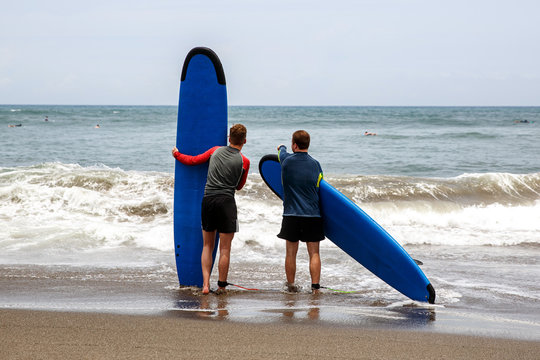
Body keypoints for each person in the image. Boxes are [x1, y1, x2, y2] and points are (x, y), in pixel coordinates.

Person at [172, 124, 250, 294]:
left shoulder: (214, 151)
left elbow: (193, 161)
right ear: (244, 141)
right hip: (227, 203)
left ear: (229, 138)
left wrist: (177, 154)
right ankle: (221, 286)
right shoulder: (245, 161)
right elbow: (239, 187)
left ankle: (205, 285)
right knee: (224, 248)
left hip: (208, 200)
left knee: (207, 245)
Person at [277, 130, 324, 294]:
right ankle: (315, 289)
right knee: (314, 253)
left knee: (291, 253)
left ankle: (291, 286)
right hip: (312, 215)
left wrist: (282, 146)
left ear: (294, 145)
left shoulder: (286, 161)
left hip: (291, 215)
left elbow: (280, 152)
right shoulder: (316, 164)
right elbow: (320, 187)